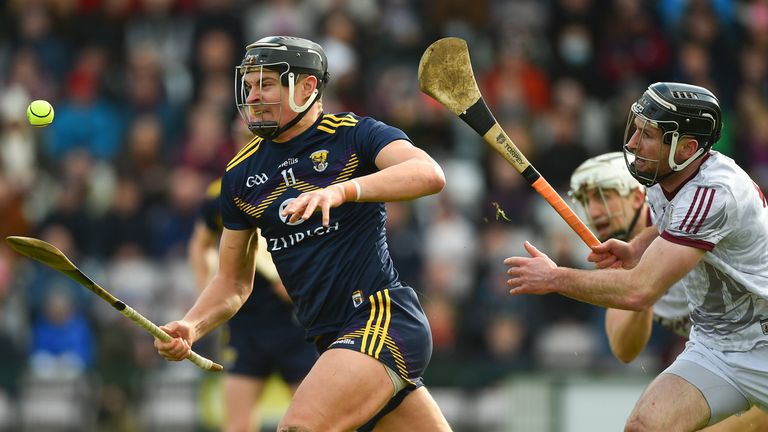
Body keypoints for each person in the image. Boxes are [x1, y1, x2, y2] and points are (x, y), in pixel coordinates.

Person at [154, 36, 451, 431]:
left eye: (267, 84)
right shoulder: (240, 176)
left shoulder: (353, 134)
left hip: (380, 318)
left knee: (299, 427)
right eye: (250, 85)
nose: (254, 95)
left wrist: (343, 190)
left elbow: (429, 174)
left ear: (307, 87)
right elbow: (232, 282)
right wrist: (192, 325)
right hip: (330, 339)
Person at [505, 82, 768, 431]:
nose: (631, 143)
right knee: (643, 427)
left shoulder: (714, 193)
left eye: (647, 135)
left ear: (687, 147)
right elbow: (668, 221)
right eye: (636, 129)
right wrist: (637, 247)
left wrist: (555, 278)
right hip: (717, 347)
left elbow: (638, 292)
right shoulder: (667, 177)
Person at [569, 151, 768, 431]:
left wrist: (555, 277)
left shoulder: (697, 217)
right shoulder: (624, 258)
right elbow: (625, 349)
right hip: (725, 360)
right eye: (587, 201)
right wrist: (640, 281)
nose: (596, 211)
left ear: (639, 197)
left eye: (605, 195)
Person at [189, 171, 318, 431]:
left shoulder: (305, 178)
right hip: (245, 323)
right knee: (238, 425)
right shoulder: (226, 189)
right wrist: (207, 293)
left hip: (295, 323)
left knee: (313, 422)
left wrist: (304, 282)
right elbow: (200, 244)